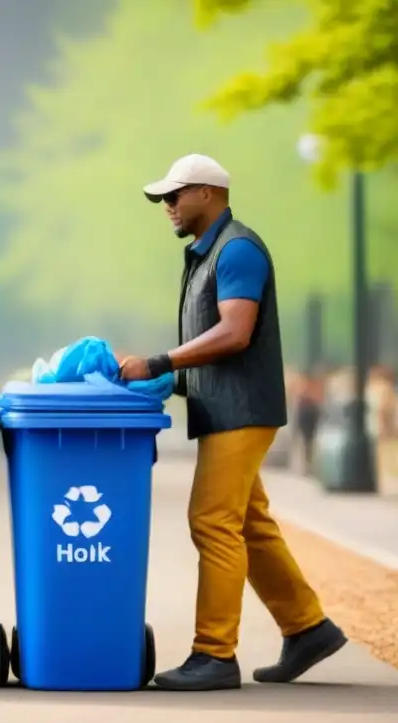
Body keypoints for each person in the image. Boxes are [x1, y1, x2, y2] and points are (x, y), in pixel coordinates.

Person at [119, 153, 347, 691]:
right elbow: (217, 346)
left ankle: (214, 654)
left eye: (175, 196)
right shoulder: (206, 254)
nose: (167, 207)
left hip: (240, 411)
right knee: (248, 523)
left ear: (208, 193)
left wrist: (162, 361)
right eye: (163, 200)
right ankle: (308, 627)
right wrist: (161, 378)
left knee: (211, 521)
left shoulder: (236, 249)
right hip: (226, 406)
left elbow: (236, 333)